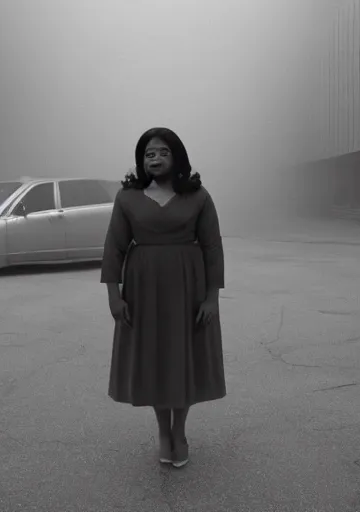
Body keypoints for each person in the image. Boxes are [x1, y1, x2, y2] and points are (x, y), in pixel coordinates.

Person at [100, 127, 226, 468]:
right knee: (155, 360)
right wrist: (114, 296)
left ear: (177, 157)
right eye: (148, 154)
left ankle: (180, 431)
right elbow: (114, 247)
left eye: (162, 152)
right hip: (143, 289)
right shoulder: (127, 197)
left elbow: (213, 248)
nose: (154, 159)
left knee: (182, 358)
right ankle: (162, 432)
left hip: (189, 288)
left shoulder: (198, 196)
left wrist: (212, 298)